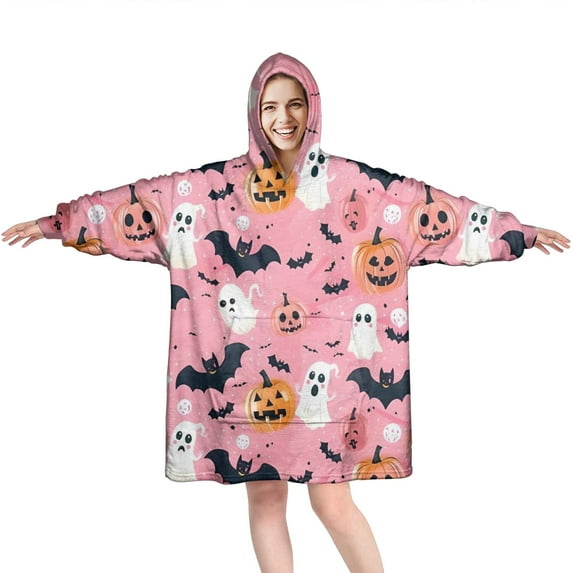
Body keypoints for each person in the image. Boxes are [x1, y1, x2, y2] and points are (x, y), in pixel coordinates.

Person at [2, 53, 569, 573]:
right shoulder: (213, 191)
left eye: (294, 104)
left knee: (332, 501)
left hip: (333, 378)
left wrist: (513, 232)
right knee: (266, 497)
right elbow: (141, 206)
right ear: (254, 111)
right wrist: (61, 223)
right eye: (270, 106)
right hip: (249, 377)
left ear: (312, 108)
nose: (283, 118)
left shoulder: (357, 188)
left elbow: (431, 210)